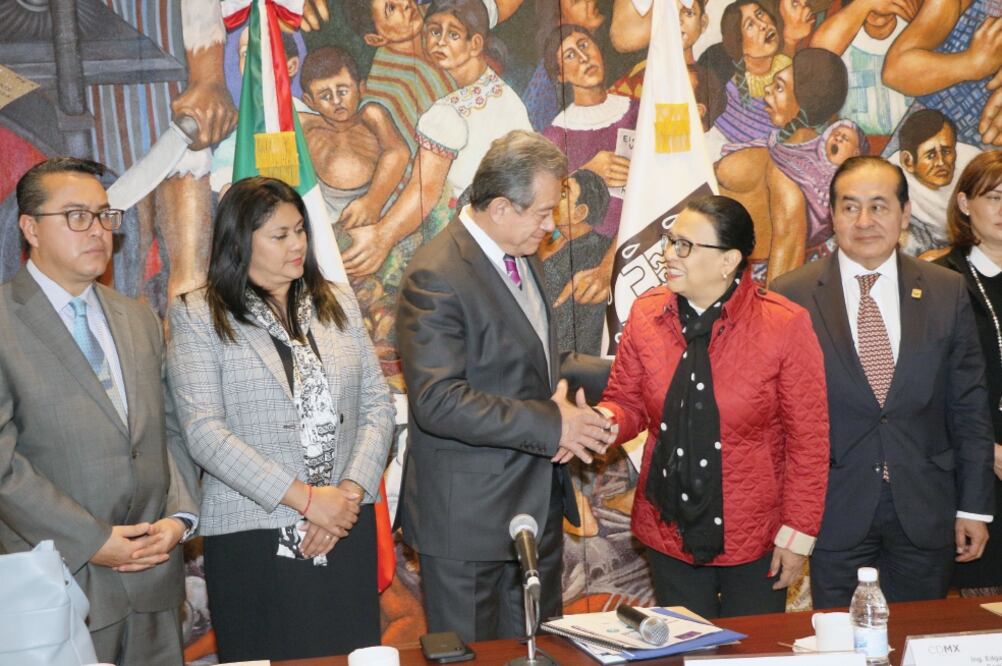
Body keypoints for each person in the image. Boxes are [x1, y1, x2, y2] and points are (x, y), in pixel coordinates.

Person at [396, 130, 617, 642]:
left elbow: (534, 362)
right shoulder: (437, 274)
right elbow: (438, 401)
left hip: (532, 511)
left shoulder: (517, 253)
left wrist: (626, 372)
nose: (551, 227)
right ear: (499, 207)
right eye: (542, 214)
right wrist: (554, 424)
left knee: (538, 652)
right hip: (469, 524)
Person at [166, 176, 394, 661]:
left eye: (300, 231)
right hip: (255, 530)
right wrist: (308, 501)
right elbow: (205, 432)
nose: (297, 245)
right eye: (279, 235)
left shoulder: (337, 302)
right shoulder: (199, 315)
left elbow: (377, 405)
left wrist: (346, 499)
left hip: (345, 528)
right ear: (239, 242)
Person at [0, 157, 199, 665]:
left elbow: (168, 432)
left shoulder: (137, 319)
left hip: (154, 576)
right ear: (30, 229)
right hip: (54, 583)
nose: (97, 230)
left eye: (105, 216)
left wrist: (179, 518)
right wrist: (93, 541)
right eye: (76, 216)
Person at [772, 156, 996, 607]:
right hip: (835, 511)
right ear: (832, 214)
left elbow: (968, 407)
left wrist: (973, 506)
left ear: (905, 213)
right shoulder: (789, 295)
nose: (864, 221)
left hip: (926, 507)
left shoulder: (946, 290)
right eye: (850, 207)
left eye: (879, 206)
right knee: (842, 645)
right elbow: (777, 419)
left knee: (919, 645)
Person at [596, 195, 829, 619]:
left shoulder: (784, 325)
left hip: (756, 539)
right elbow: (627, 403)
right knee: (687, 651)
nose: (668, 254)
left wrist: (797, 535)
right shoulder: (647, 314)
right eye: (669, 241)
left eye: (685, 245)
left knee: (753, 655)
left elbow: (809, 442)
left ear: (729, 261)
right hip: (668, 528)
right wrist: (603, 422)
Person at [350, 0, 533, 278]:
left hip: (471, 238)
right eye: (435, 32)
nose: (440, 42)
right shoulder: (498, 90)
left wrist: (383, 236)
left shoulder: (445, 114)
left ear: (475, 44)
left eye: (454, 35)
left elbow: (425, 189)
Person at [933, 150, 1002, 596]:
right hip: (973, 473)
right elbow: (928, 390)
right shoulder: (939, 282)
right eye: (995, 197)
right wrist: (987, 449)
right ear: (964, 204)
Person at [891, 110, 981, 255]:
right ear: (908, 161)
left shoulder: (976, 165)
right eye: (930, 155)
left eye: (946, 151)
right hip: (926, 243)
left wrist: (945, 254)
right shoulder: (891, 175)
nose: (941, 162)